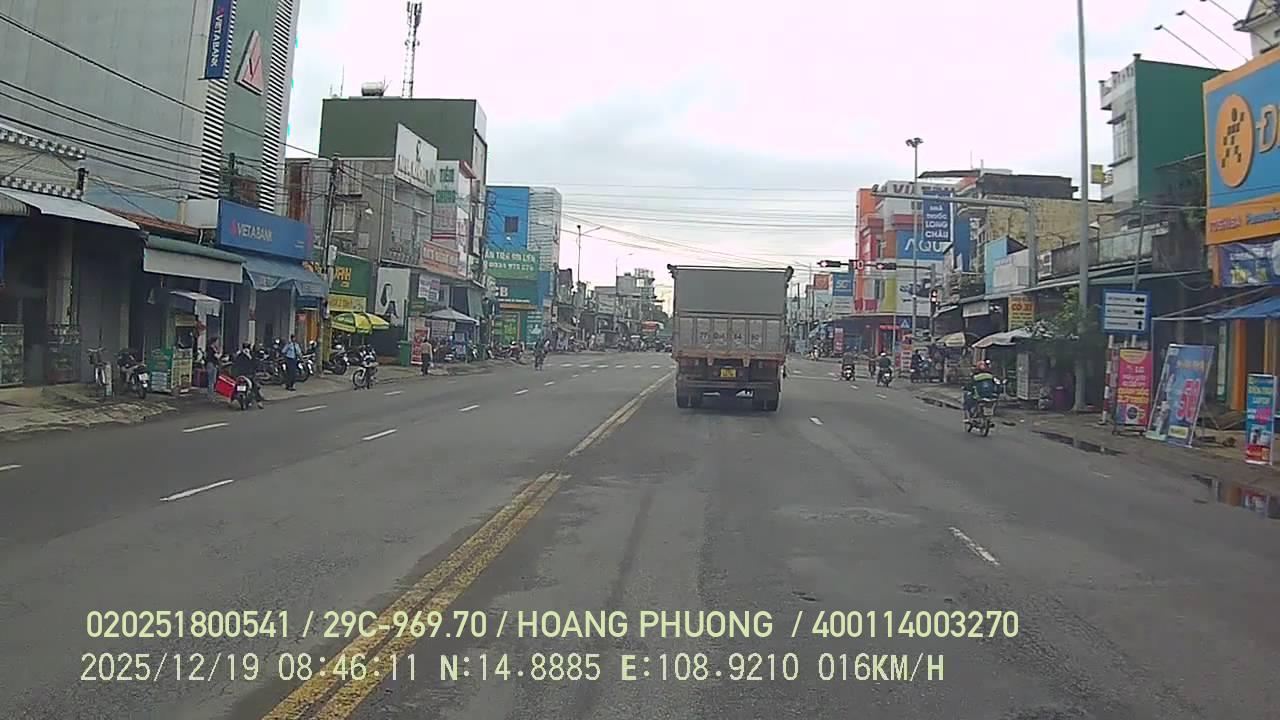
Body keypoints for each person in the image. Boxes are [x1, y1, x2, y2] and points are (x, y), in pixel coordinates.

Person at [232, 342, 264, 408]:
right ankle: (259, 402)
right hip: (247, 374)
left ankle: (232, 400)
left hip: (241, 374)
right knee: (254, 386)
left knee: (235, 387)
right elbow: (255, 364)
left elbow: (235, 364)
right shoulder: (249, 355)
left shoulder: (240, 355)